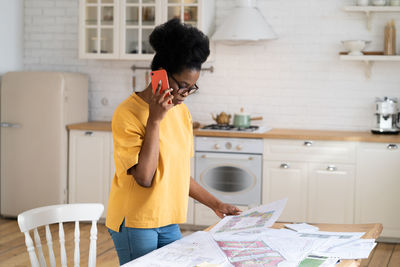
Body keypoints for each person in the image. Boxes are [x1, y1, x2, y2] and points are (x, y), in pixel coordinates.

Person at [106, 18, 241, 265]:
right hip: (136, 221)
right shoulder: (127, 113)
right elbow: (144, 178)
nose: (185, 94)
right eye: (182, 86)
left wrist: (216, 204)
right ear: (159, 75)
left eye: (191, 88)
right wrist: (155, 121)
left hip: (168, 220)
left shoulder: (182, 112)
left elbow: (177, 173)